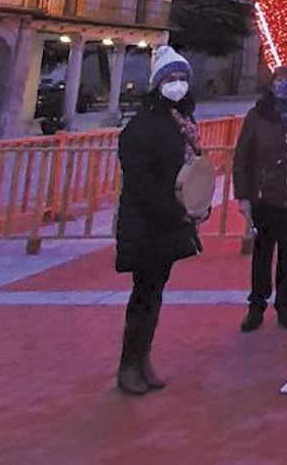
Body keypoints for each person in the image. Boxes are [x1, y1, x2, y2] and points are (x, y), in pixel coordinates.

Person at [113, 46, 203, 395]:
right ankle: (128, 365)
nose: (177, 85)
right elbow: (140, 181)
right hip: (146, 223)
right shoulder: (141, 127)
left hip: (168, 221)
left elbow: (190, 172)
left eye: (182, 79)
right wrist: (174, 209)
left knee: (154, 292)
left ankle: (143, 360)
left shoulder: (181, 123)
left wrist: (195, 204)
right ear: (157, 84)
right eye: (171, 79)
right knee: (143, 294)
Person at [233, 65, 287, 332]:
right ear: (272, 84)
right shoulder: (257, 116)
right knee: (262, 254)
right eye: (279, 80)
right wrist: (243, 195)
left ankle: (285, 304)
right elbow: (242, 158)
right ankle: (256, 305)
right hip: (264, 196)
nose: (283, 85)